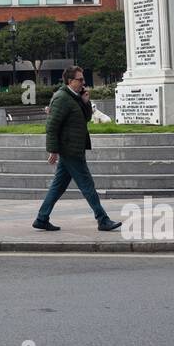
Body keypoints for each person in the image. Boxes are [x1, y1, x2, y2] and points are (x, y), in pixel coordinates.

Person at [33, 66, 121, 233]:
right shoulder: (61, 98)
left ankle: (41, 218)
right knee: (87, 184)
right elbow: (52, 126)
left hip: (74, 147)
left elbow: (86, 118)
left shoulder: (74, 97)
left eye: (83, 80)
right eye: (79, 80)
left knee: (58, 186)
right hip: (70, 150)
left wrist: (85, 102)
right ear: (69, 81)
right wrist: (53, 150)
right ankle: (102, 219)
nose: (83, 83)